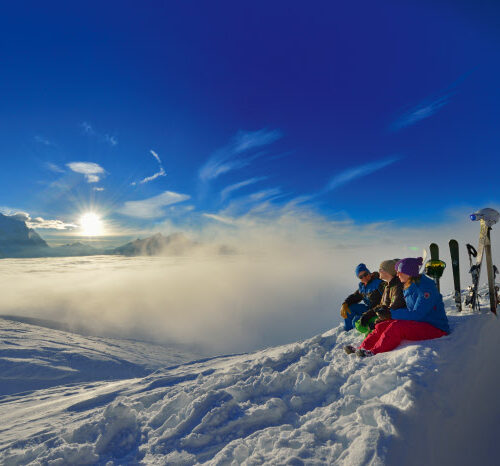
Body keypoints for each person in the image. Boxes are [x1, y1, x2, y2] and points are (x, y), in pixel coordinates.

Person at [345, 257, 450, 357]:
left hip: (435, 326)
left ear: (409, 273)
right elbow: (410, 310)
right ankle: (362, 347)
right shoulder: (409, 284)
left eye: (400, 271)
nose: (397, 274)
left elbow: (418, 314)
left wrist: (391, 314)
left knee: (396, 328)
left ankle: (373, 351)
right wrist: (388, 316)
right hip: (421, 322)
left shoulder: (425, 288)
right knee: (382, 325)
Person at [354, 259, 406, 334]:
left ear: (387, 271)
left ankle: (371, 335)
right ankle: (371, 332)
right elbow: (382, 305)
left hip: (389, 318)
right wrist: (368, 315)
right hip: (382, 314)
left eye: (381, 269)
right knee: (358, 323)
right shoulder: (388, 286)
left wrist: (376, 323)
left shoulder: (396, 287)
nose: (378, 271)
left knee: (366, 326)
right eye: (361, 277)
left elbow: (393, 311)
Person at [340, 263, 385, 331]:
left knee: (356, 320)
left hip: (378, 311)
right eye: (361, 277)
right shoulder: (363, 287)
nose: (364, 278)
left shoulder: (378, 283)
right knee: (349, 309)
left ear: (369, 272)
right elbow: (355, 296)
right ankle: (348, 331)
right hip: (368, 309)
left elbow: (386, 299)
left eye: (365, 274)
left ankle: (359, 333)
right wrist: (345, 303)